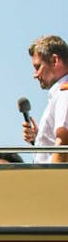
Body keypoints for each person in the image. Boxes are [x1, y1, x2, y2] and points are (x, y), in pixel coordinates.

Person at [23, 35, 68, 164]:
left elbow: (63, 144)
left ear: (54, 60)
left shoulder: (64, 93)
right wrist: (40, 138)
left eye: (38, 67)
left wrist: (52, 181)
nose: (35, 75)